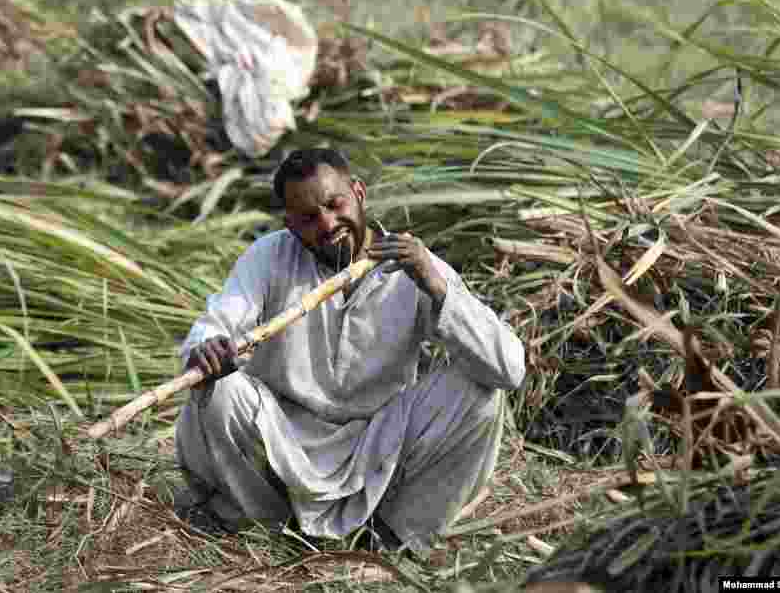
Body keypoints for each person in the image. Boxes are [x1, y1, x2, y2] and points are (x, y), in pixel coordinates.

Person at [174, 148, 525, 553]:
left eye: (334, 204)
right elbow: (217, 322)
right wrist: (208, 349)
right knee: (219, 390)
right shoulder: (270, 255)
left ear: (358, 193)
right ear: (290, 226)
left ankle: (394, 536)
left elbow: (510, 369)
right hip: (281, 436)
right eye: (308, 218)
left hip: (374, 445)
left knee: (482, 393)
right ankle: (263, 526)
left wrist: (434, 282)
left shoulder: (412, 264)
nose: (327, 224)